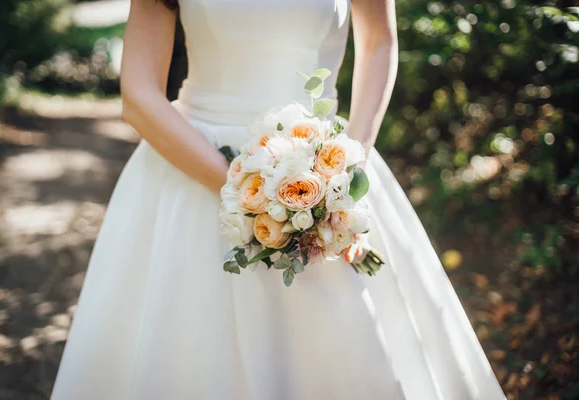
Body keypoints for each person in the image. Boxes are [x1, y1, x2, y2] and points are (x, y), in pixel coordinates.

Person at [51, 0, 506, 398]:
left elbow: (379, 42)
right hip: (189, 162)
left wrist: (346, 170)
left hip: (323, 166)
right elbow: (137, 94)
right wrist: (244, 188)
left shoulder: (337, 174)